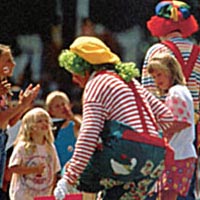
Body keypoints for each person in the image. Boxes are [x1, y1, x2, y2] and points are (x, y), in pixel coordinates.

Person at [52, 36, 187, 200]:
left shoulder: (96, 84)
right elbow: (166, 117)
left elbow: (89, 133)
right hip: (156, 158)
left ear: (85, 68)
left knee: (74, 171)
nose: (74, 79)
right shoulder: (130, 82)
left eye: (75, 73)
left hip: (126, 153)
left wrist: (68, 178)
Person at [141, 2, 200, 199]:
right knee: (186, 190)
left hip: (164, 134)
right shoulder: (199, 53)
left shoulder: (155, 52)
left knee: (160, 191)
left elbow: (147, 96)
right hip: (193, 133)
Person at [146, 53, 197, 200]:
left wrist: (158, 132)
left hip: (177, 154)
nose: (157, 80)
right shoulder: (181, 91)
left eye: (160, 74)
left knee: (166, 196)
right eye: (154, 77)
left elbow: (181, 121)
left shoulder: (175, 92)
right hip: (182, 153)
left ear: (170, 72)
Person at [0, 44, 40, 199]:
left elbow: (10, 121)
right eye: (8, 60)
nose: (13, 64)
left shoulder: (4, 89)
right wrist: (22, 105)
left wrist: (25, 104)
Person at [8, 107, 61, 200]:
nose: (44, 123)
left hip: (43, 194)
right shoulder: (23, 147)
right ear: (30, 126)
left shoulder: (50, 147)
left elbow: (55, 170)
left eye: (46, 121)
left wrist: (53, 191)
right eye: (39, 121)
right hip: (23, 195)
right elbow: (13, 168)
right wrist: (34, 169)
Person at [45, 90, 81, 171]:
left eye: (63, 104)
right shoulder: (47, 127)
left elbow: (84, 128)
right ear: (50, 111)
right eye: (57, 106)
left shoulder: (74, 123)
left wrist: (71, 117)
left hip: (71, 169)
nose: (62, 108)